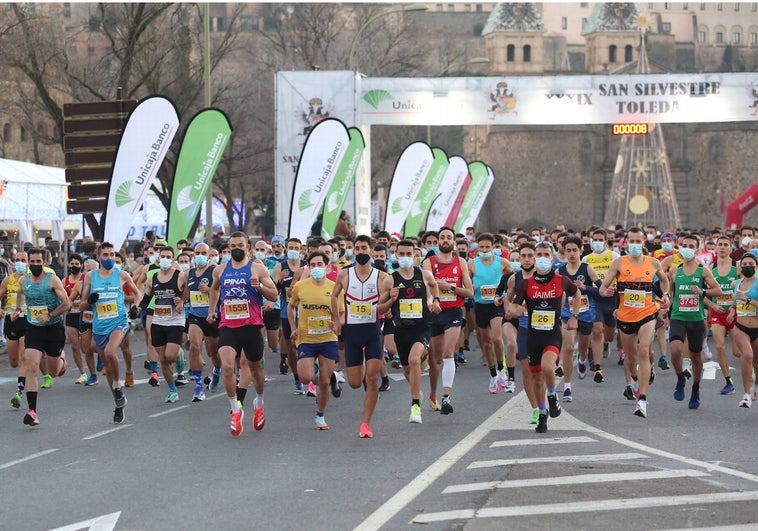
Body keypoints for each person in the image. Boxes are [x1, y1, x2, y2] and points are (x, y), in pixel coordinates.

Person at [207, 231, 279, 437]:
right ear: (229, 248)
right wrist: (212, 310)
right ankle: (236, 411)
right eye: (232, 246)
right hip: (228, 326)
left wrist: (261, 287)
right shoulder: (220, 270)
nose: (236, 249)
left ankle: (259, 403)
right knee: (228, 367)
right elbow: (214, 289)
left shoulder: (257, 268)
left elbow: (274, 294)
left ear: (248, 247)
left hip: (252, 326)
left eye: (240, 245)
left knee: (255, 370)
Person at [599, 227, 670, 418]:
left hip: (647, 313)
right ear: (626, 242)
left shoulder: (653, 262)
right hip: (625, 316)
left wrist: (665, 295)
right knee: (630, 359)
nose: (636, 245)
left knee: (645, 350)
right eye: (632, 241)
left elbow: (664, 280)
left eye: (639, 241)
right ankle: (638, 377)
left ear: (644, 242)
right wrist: (605, 292)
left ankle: (642, 400)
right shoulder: (618, 263)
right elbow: (603, 287)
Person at [510, 242, 581, 433]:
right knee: (537, 379)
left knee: (547, 367)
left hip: (552, 334)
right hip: (533, 336)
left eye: (545, 254)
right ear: (533, 258)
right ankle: (542, 413)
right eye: (538, 254)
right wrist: (514, 310)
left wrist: (575, 316)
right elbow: (516, 304)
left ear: (552, 258)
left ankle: (552, 396)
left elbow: (577, 293)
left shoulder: (561, 280)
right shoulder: (526, 284)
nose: (541, 258)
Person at [331, 235, 390, 438]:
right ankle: (364, 370)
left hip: (373, 331)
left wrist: (388, 307)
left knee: (371, 377)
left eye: (364, 248)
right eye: (357, 248)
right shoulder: (344, 275)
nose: (360, 252)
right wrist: (336, 320)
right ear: (353, 251)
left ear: (371, 251)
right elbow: (333, 295)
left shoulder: (381, 277)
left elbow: (386, 300)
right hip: (352, 333)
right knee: (355, 383)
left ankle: (365, 424)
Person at [378, 239, 441, 424]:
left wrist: (435, 300)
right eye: (401, 254)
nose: (405, 257)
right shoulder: (391, 280)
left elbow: (434, 285)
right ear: (395, 256)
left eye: (409, 254)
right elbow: (380, 309)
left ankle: (415, 407)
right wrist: (391, 299)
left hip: (422, 326)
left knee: (414, 360)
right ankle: (417, 391)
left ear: (415, 255)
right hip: (401, 330)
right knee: (408, 369)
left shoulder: (424, 274)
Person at [80, 242, 142, 423]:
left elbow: (138, 294)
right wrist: (90, 300)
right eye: (105, 255)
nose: (109, 258)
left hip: (119, 321)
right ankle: (118, 400)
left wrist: (136, 308)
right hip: (99, 325)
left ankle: (117, 385)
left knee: (109, 352)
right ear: (98, 258)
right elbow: (82, 304)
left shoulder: (121, 274)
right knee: (106, 360)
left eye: (111, 255)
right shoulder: (90, 276)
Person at [14, 248, 71, 426]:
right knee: (32, 366)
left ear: (44, 262)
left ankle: (61, 359)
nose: (36, 265)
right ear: (29, 262)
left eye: (40, 262)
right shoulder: (24, 280)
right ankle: (32, 411)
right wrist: (17, 310)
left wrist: (50, 315)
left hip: (53, 329)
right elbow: (20, 293)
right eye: (34, 262)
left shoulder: (52, 280)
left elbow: (67, 304)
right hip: (33, 328)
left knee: (53, 372)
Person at [288, 251, 344, 430]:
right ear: (308, 267)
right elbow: (291, 307)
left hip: (328, 338)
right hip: (306, 338)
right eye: (313, 265)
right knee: (306, 378)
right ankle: (322, 372)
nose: (316, 268)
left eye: (320, 264)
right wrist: (293, 328)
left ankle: (320, 415)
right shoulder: (300, 286)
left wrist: (336, 324)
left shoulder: (334, 287)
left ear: (327, 267)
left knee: (325, 382)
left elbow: (342, 313)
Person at [668, 234, 722, 410]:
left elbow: (718, 290)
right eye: (684, 245)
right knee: (675, 351)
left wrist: (702, 291)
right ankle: (680, 378)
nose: (687, 248)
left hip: (696, 319)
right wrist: (666, 304)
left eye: (691, 246)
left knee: (696, 356)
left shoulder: (703, 271)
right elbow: (670, 292)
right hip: (678, 316)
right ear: (680, 247)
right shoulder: (674, 270)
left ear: (697, 249)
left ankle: (696, 388)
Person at [423, 227, 473, 414]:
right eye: (442, 237)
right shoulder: (429, 262)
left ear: (453, 241)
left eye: (448, 237)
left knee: (448, 352)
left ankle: (446, 397)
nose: (445, 240)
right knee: (435, 359)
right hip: (435, 312)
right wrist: (432, 299)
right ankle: (433, 394)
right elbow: (428, 285)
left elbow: (469, 291)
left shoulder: (461, 262)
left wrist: (449, 287)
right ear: (438, 242)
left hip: (453, 312)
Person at [557, 236, 603, 402]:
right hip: (567, 313)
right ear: (564, 252)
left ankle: (583, 359)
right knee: (568, 347)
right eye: (568, 250)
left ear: (580, 251)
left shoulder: (587, 268)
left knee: (583, 347)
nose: (571, 253)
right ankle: (567, 387)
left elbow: (600, 289)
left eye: (574, 250)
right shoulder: (560, 271)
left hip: (586, 312)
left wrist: (585, 287)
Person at [140, 246, 187, 403]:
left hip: (175, 321)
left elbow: (189, 289)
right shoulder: (152, 278)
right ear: (159, 259)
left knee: (170, 356)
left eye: (168, 256)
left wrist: (181, 299)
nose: (165, 259)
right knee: (163, 360)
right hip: (158, 321)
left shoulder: (179, 276)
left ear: (173, 259)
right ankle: (173, 390)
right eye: (163, 256)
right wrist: (137, 308)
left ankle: (179, 354)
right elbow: (146, 298)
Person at [468, 232, 510, 395]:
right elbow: (466, 283)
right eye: (481, 247)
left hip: (496, 305)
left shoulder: (502, 263)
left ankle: (501, 369)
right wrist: (470, 288)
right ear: (477, 248)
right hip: (480, 305)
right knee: (486, 342)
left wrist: (505, 294)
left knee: (497, 339)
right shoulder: (472, 264)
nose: (484, 250)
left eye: (487, 247)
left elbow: (513, 279)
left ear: (493, 247)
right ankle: (493, 375)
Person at [186, 243, 221, 399]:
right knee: (194, 347)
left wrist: (210, 291)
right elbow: (186, 290)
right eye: (197, 252)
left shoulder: (215, 271)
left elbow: (223, 291)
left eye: (203, 253)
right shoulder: (190, 273)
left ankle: (217, 370)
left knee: (213, 352)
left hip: (212, 316)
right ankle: (198, 386)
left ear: (208, 255)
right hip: (195, 317)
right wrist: (181, 301)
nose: (200, 255)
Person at [707, 235, 739, 396]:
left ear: (731, 248)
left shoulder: (737, 267)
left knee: (738, 352)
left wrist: (733, 308)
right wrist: (713, 305)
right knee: (719, 346)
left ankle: (753, 370)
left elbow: (746, 288)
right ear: (716, 247)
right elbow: (703, 293)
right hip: (717, 313)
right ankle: (729, 382)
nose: (723, 247)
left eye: (726, 245)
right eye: (720, 244)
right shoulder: (710, 269)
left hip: (736, 313)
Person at [726, 252, 758, 408]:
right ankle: (746, 395)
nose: (747, 267)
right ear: (740, 267)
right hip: (740, 327)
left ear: (756, 266)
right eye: (744, 265)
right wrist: (732, 311)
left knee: (757, 362)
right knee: (747, 355)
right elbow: (734, 302)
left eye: (750, 265)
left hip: (756, 327)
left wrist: (748, 299)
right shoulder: (736, 284)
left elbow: (745, 300)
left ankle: (755, 386)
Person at [274, 238, 305, 391]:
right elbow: (275, 293)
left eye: (296, 247)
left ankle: (310, 376)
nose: (293, 250)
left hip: (306, 312)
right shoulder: (281, 266)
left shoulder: (307, 267)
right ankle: (297, 376)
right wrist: (280, 281)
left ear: (301, 249)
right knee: (291, 348)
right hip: (288, 313)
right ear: (286, 249)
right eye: (291, 247)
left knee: (306, 345)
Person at [0, 251, 29, 408]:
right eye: (17, 260)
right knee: (13, 361)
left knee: (24, 358)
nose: (20, 263)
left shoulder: (32, 280)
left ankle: (19, 392)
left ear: (28, 262)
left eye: (23, 260)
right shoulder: (7, 280)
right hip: (10, 321)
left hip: (26, 320)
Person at [63, 253, 88, 384]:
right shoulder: (64, 281)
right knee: (74, 346)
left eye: (77, 264)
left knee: (86, 348)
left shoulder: (85, 279)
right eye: (72, 264)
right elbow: (62, 299)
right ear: (68, 265)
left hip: (85, 316)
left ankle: (97, 363)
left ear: (81, 265)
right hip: (71, 316)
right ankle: (83, 373)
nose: (74, 266)